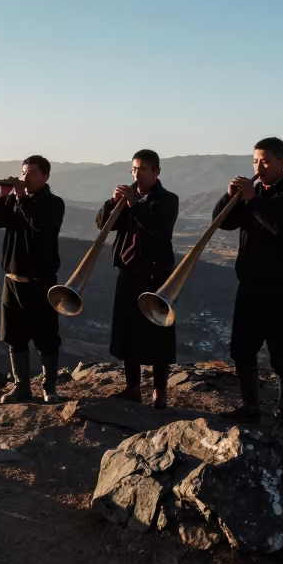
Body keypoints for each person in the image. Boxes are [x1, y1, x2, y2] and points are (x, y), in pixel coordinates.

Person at [213, 137, 283, 437]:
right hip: (250, 285)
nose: (258, 167)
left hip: (281, 289)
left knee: (282, 354)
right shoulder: (251, 195)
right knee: (241, 350)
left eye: (265, 161)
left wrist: (252, 198)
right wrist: (228, 197)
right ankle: (251, 408)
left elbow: (280, 227)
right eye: (255, 161)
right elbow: (222, 223)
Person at [96, 149, 180, 408]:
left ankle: (160, 392)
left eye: (142, 169)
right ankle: (132, 388)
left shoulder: (167, 199)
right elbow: (103, 224)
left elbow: (159, 228)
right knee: (127, 331)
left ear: (156, 172)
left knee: (158, 332)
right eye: (133, 169)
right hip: (128, 272)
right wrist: (112, 203)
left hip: (156, 275)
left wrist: (134, 204)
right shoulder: (127, 200)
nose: (136, 174)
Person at [0, 155, 66, 404]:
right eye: (23, 172)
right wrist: (1, 196)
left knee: (47, 338)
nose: (24, 177)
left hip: (42, 283)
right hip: (12, 281)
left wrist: (20, 198)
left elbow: (40, 224)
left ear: (45, 176)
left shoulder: (54, 204)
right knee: (15, 336)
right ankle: (21, 387)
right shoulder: (14, 202)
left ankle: (49, 388)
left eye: (30, 173)